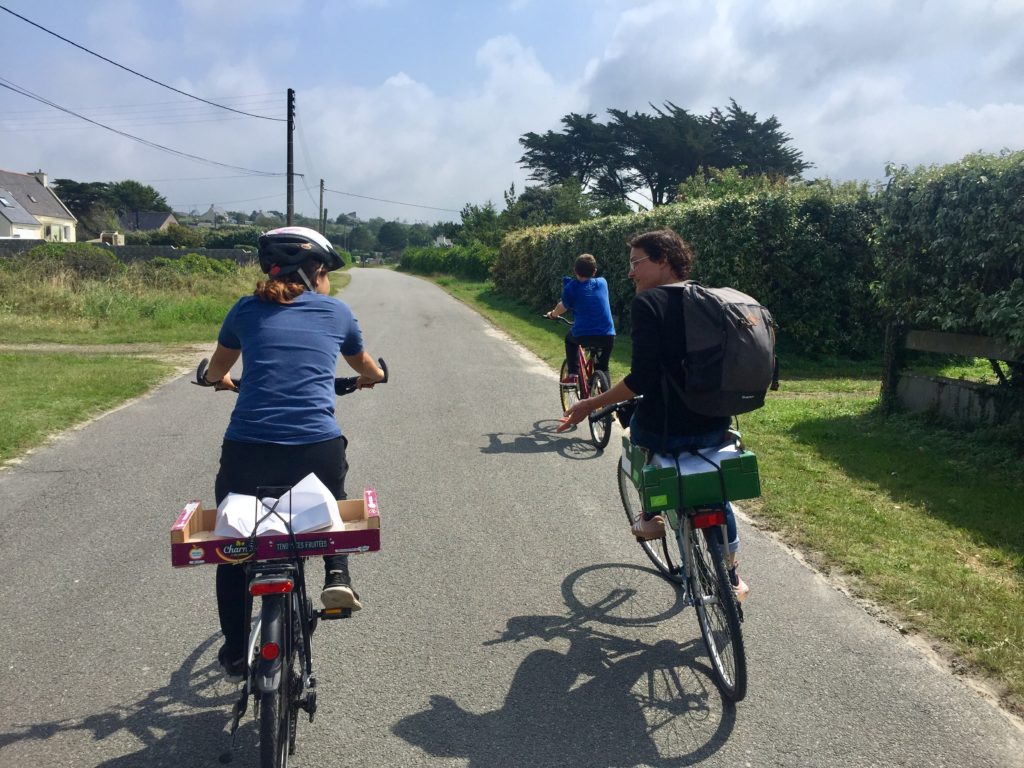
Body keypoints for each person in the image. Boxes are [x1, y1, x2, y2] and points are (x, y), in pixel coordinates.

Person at [201, 226, 386, 680]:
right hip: (314, 453)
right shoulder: (336, 312)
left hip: (249, 451)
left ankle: (232, 651)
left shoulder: (244, 310)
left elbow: (217, 371)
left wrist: (219, 380)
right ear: (317, 271)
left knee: (235, 541)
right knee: (331, 495)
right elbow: (367, 368)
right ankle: (337, 575)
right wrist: (375, 375)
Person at [558, 229, 749, 600]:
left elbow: (641, 378)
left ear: (662, 259)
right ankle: (733, 575)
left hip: (666, 428)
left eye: (636, 263)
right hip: (715, 422)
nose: (631, 273)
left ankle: (650, 517)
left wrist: (588, 404)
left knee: (636, 438)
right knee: (713, 486)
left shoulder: (648, 304)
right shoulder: (708, 298)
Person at [545, 253, 615, 383]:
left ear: (575, 271)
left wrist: (553, 314)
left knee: (570, 340)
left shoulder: (571, 288)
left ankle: (573, 374)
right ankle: (606, 398)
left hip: (583, 333)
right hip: (607, 334)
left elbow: (563, 306)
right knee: (603, 368)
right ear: (594, 271)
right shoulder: (602, 283)